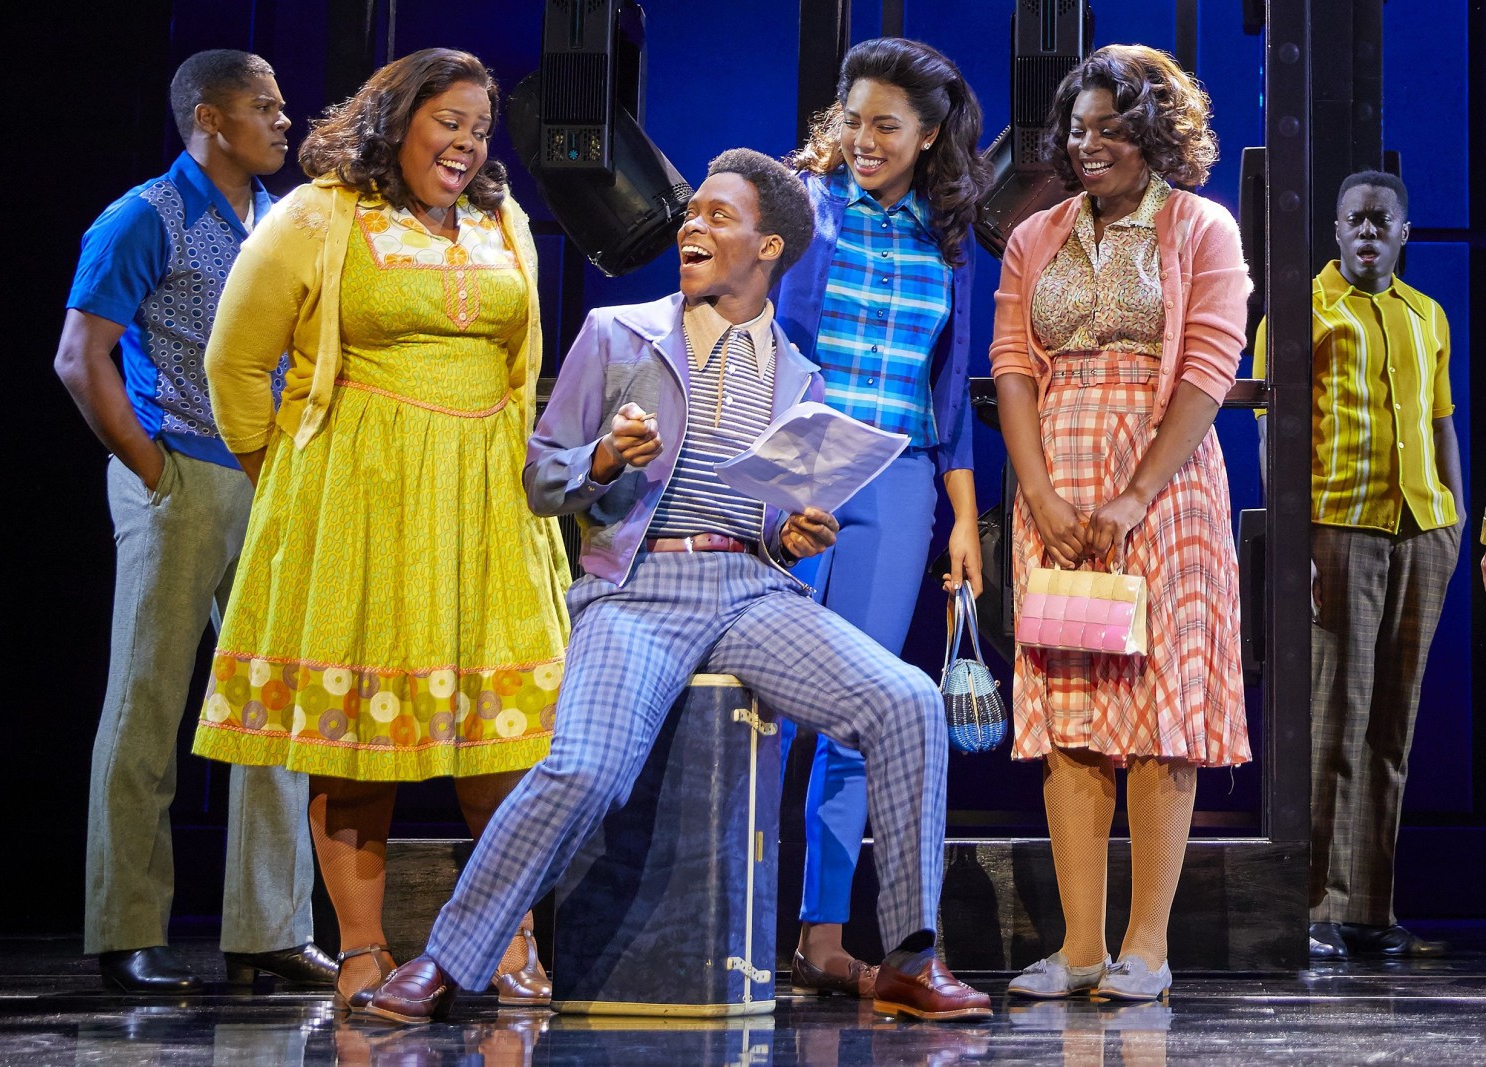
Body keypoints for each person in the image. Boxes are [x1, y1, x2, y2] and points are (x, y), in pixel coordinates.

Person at [366, 149, 992, 1026]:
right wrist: (604, 457)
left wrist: (792, 529)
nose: (692, 227)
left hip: (752, 589)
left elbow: (769, 512)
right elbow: (542, 480)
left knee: (907, 698)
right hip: (639, 588)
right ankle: (445, 958)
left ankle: (911, 958)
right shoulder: (619, 335)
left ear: (768, 247)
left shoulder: (800, 375)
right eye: (691, 213)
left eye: (718, 217)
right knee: (585, 767)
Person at [188, 48, 572, 1012]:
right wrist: (288, 485)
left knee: (507, 741)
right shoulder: (316, 215)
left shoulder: (502, 220)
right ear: (397, 118)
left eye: (480, 129)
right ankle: (362, 947)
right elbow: (235, 367)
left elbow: (525, 366)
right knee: (356, 740)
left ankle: (508, 935)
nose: (466, 144)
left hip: (488, 498)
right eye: (449, 121)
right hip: (359, 501)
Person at [54, 49, 332, 994]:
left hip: (269, 478)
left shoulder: (280, 222)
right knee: (148, 705)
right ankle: (128, 927)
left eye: (281, 105)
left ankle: (269, 927)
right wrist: (150, 466)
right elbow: (78, 354)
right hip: (179, 471)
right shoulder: (146, 215)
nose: (283, 122)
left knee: (271, 708)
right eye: (264, 106)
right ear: (210, 119)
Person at [990, 44, 1252, 1002]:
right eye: (1077, 127)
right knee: (1070, 711)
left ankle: (1148, 947)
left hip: (1165, 485)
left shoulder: (1200, 228)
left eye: (1110, 127)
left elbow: (1209, 369)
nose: (1087, 143)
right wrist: (1043, 496)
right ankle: (1081, 947)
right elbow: (1013, 364)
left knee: (1157, 712)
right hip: (1056, 480)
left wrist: (1135, 493)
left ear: (1155, 133)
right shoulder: (1037, 234)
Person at [773, 36, 992, 999]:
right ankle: (730, 916)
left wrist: (963, 518)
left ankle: (824, 935)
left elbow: (950, 394)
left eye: (887, 125)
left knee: (860, 715)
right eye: (854, 119)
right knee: (760, 708)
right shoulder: (804, 209)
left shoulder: (948, 236)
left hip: (900, 478)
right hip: (793, 468)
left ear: (929, 135)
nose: (865, 138)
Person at [1253, 170, 1463, 960]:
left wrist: (1457, 510)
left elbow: (1442, 420)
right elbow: (1276, 435)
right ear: (1337, 231)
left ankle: (1373, 910)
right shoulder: (1301, 313)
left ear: (1404, 232)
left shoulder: (1427, 316)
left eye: (1382, 222)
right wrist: (1293, 538)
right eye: (1355, 221)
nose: (1368, 233)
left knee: (1392, 728)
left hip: (1422, 528)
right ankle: (1316, 908)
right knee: (1334, 724)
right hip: (1340, 527)